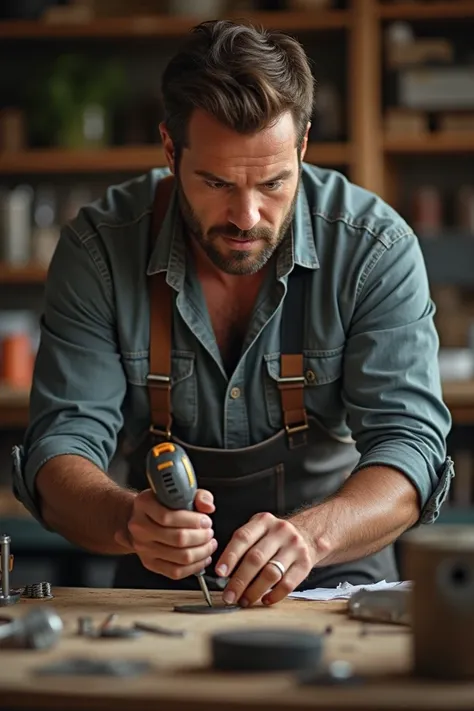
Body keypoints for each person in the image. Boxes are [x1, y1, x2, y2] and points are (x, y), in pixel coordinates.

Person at [13, 19, 453, 608]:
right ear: (171, 149)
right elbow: (59, 449)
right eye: (217, 182)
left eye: (273, 182)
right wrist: (128, 520)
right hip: (161, 591)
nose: (246, 216)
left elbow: (411, 446)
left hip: (335, 584)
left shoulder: (373, 247)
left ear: (302, 146)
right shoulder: (100, 248)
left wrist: (312, 537)